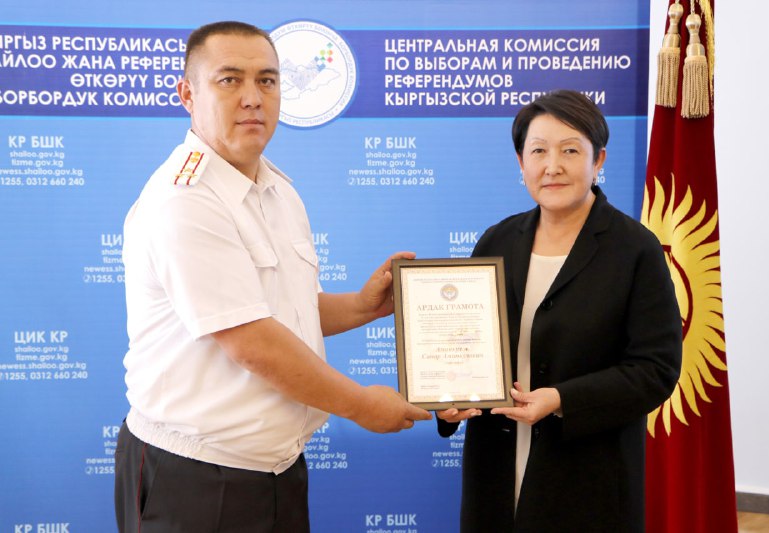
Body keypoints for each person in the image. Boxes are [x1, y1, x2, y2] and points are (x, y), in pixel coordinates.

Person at [114, 21, 430, 533]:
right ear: (188, 94)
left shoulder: (278, 190)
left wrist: (363, 306)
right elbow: (252, 342)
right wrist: (361, 406)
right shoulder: (184, 200)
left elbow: (286, 310)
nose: (252, 97)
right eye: (229, 80)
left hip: (277, 470)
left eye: (267, 80)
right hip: (194, 476)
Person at [437, 90, 682, 532]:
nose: (552, 166)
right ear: (521, 162)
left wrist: (561, 399)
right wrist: (447, 399)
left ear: (598, 159)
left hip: (588, 474)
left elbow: (656, 369)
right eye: (538, 151)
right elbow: (465, 346)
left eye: (570, 150)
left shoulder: (635, 249)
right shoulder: (496, 241)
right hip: (494, 467)